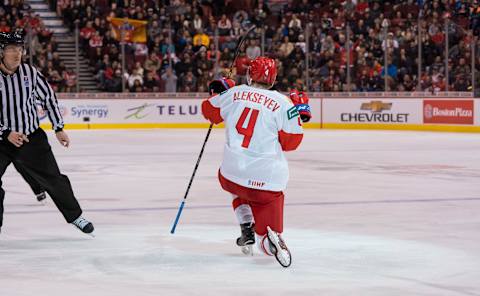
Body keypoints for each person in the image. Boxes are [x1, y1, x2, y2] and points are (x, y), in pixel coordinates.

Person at [201, 56, 311, 268]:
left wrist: (221, 90)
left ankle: (245, 225)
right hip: (266, 184)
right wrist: (297, 113)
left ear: (251, 75)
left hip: (231, 175)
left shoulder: (235, 92)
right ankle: (269, 239)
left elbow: (209, 111)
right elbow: (291, 143)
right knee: (266, 237)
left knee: (233, 181)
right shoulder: (282, 102)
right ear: (274, 78)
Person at [0, 30, 94, 235]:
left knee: (53, 179)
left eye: (20, 49)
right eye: (11, 49)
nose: (17, 54)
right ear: (1, 52)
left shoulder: (30, 73)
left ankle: (75, 216)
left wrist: (59, 128)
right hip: (1, 140)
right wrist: (6, 132)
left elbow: (49, 99)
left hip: (31, 137)